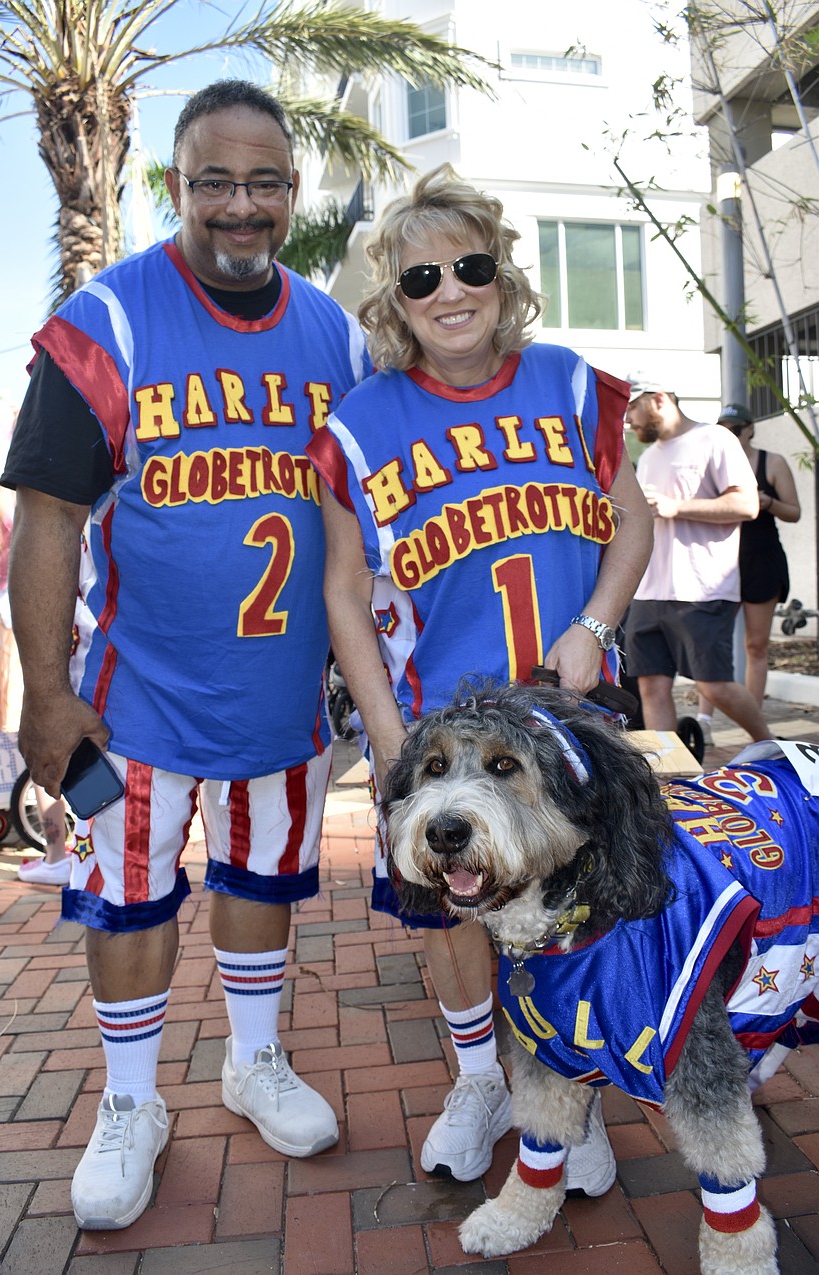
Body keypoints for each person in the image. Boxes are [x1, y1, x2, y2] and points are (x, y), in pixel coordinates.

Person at [1, 80, 372, 1232]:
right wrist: (46, 692)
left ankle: (252, 1061)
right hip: (134, 702)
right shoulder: (108, 321)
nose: (240, 204)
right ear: (176, 185)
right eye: (215, 181)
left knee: (262, 886)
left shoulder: (338, 336)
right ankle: (129, 1102)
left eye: (263, 182)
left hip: (281, 697)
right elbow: (49, 516)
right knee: (124, 900)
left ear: (292, 191)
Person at [307, 165, 653, 1192]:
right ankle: (479, 1079)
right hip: (442, 723)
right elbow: (342, 591)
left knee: (578, 904)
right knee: (451, 905)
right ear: (395, 299)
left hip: (569, 716)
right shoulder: (360, 424)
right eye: (422, 279)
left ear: (502, 275)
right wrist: (387, 738)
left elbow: (632, 521)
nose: (450, 293)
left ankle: (568, 1090)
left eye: (469, 268)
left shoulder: (572, 383)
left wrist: (595, 625)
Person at [623, 382, 772, 742]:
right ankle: (673, 771)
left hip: (701, 588)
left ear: (659, 399)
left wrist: (677, 507)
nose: (627, 420)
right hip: (648, 589)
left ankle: (770, 746)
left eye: (631, 408)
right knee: (651, 686)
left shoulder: (715, 439)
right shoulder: (649, 456)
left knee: (714, 686)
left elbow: (747, 504)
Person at [0, 479, 70, 883]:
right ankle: (81, 850)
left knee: (41, 739)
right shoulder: (57, 481)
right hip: (67, 617)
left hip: (16, 622)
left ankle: (57, 855)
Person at [696, 403, 800, 741]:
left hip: (761, 560)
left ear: (750, 429)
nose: (730, 434)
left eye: (736, 429)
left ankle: (754, 725)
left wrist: (767, 502)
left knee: (756, 644)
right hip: (719, 561)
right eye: (723, 429)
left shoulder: (772, 462)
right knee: (711, 643)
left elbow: (794, 512)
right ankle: (704, 720)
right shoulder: (712, 466)